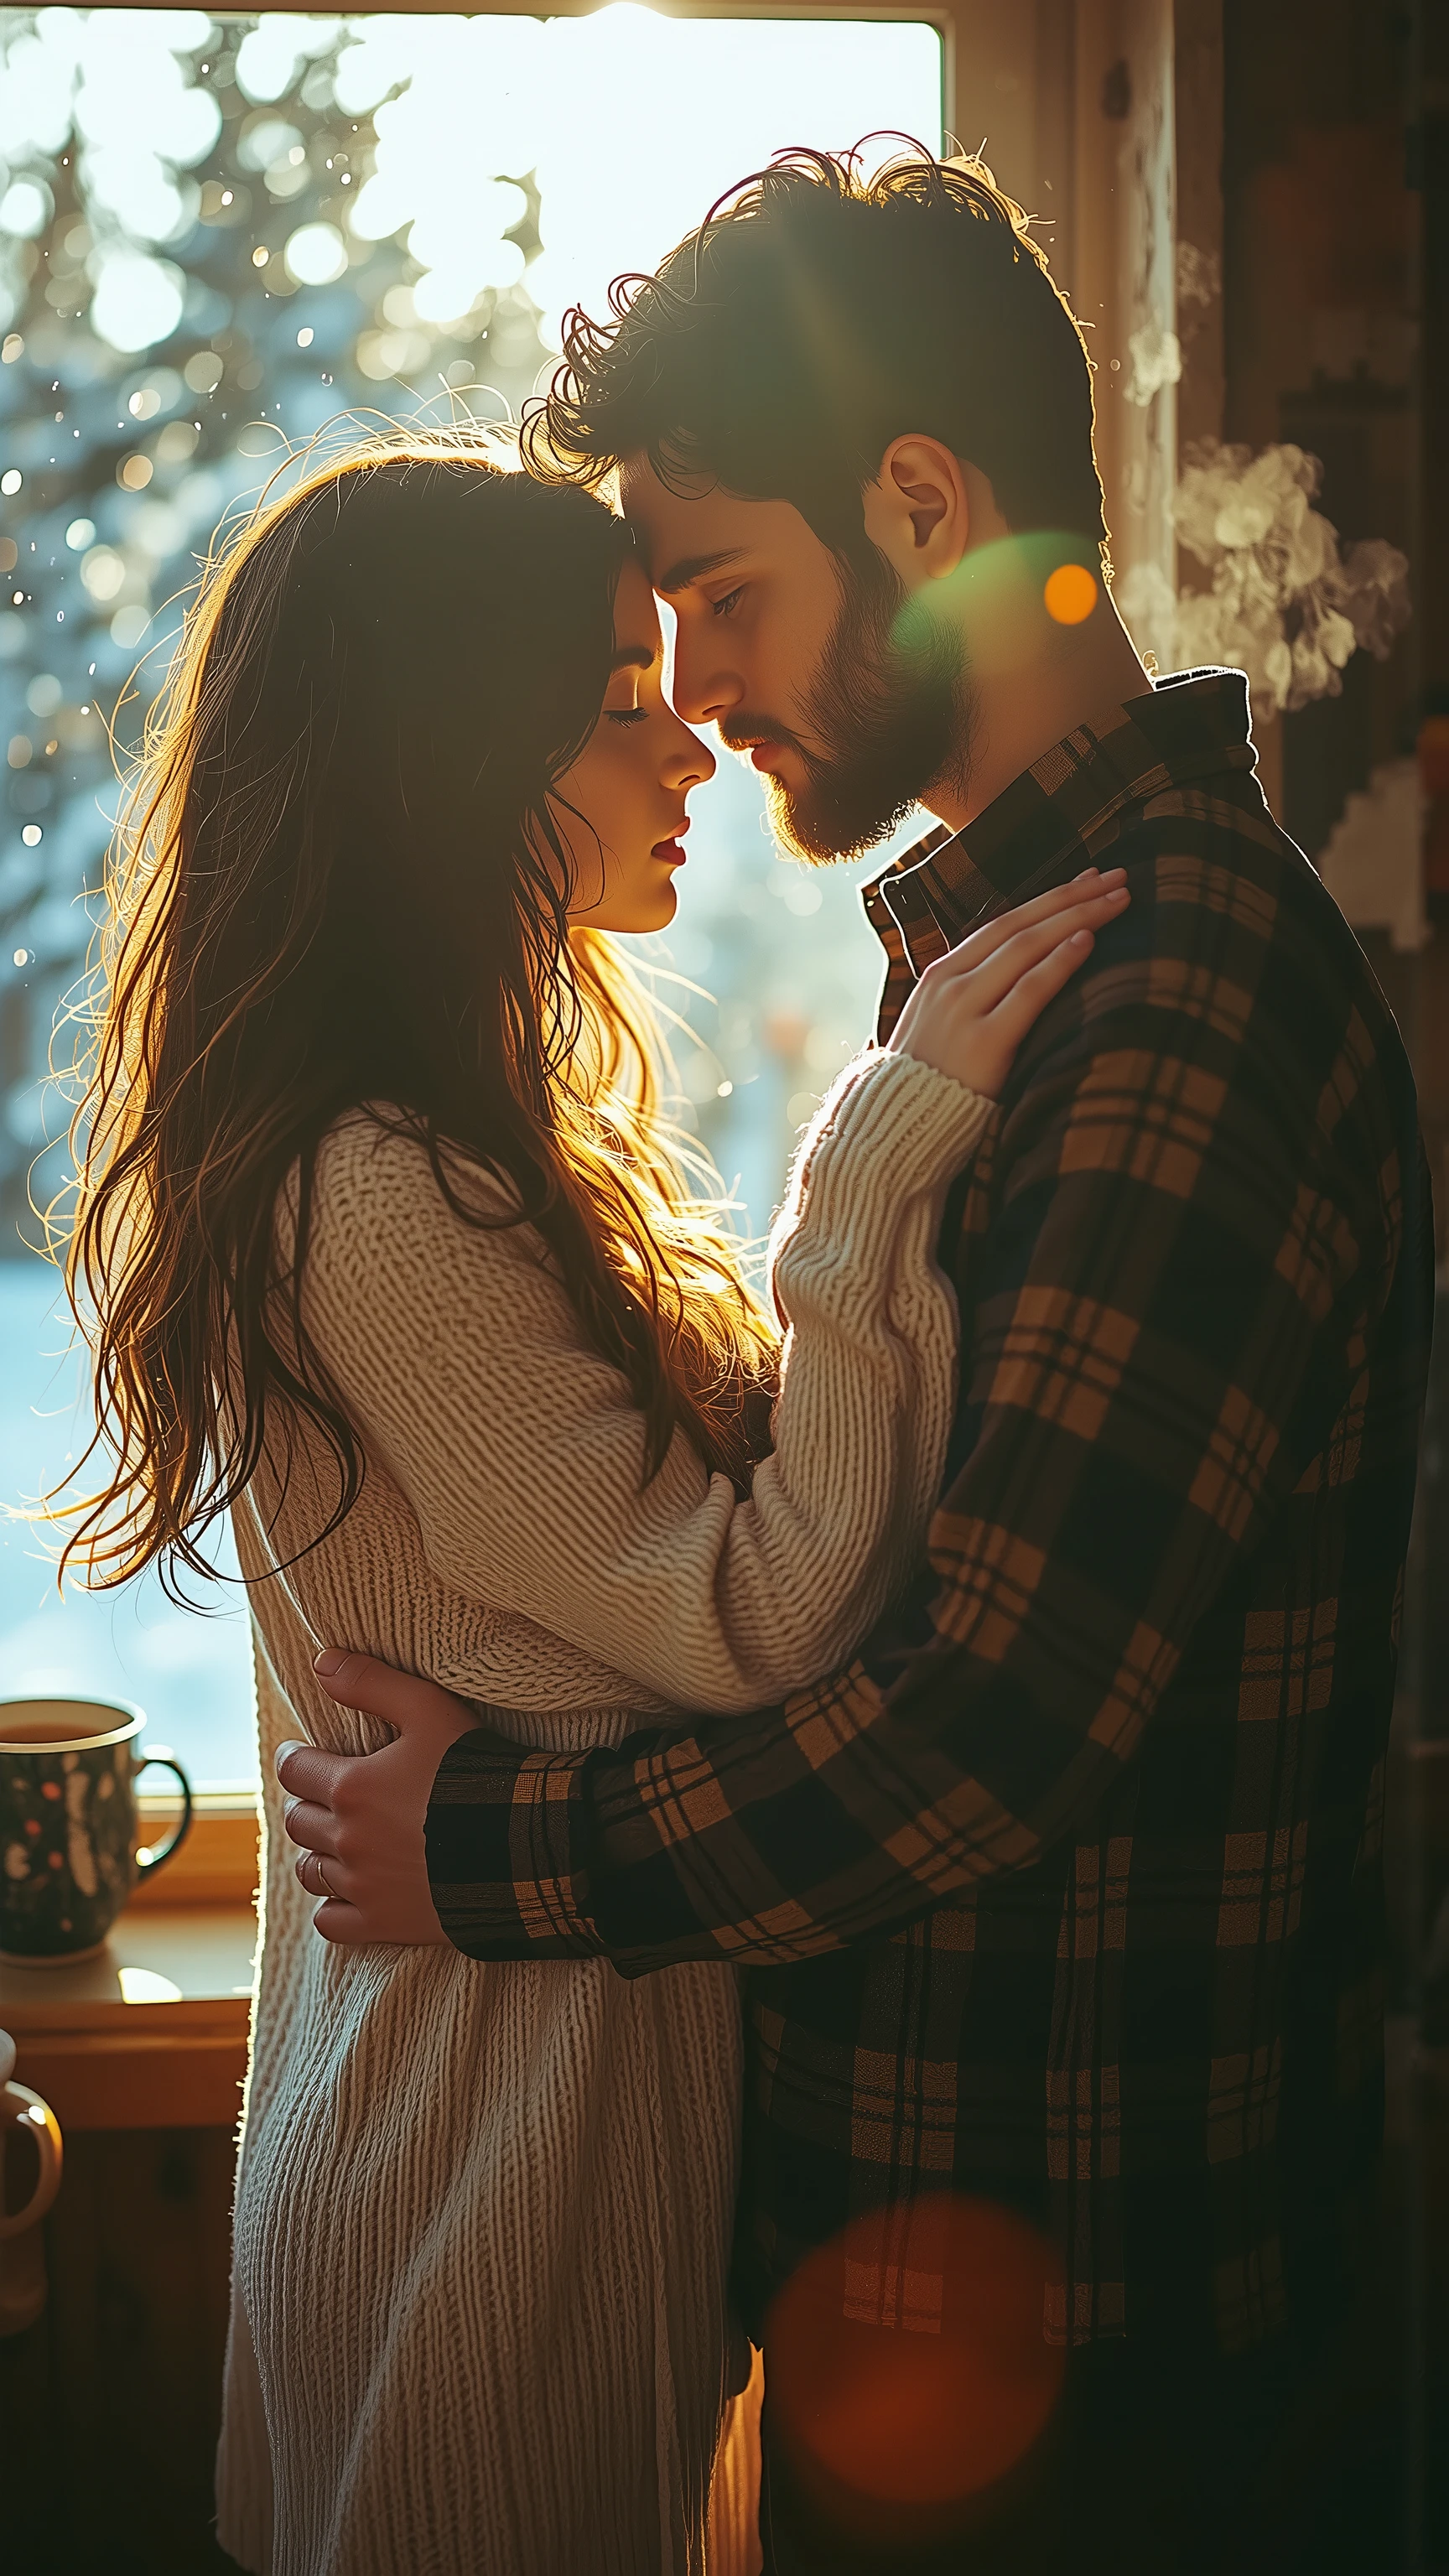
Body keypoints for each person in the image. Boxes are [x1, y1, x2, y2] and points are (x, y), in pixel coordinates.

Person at [283, 152, 1433, 2574]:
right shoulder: (1021, 969)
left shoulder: (1177, 993)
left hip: (1101, 2385)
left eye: (718, 592)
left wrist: (498, 1852)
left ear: (923, 503)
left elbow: (988, 1716)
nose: (690, 685)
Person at [57, 432, 1124, 2576]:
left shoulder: (459, 1138)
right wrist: (884, 1157)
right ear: (451, 763)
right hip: (483, 2216)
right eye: (617, 704)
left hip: (519, 2177)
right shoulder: (377, 1194)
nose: (691, 750)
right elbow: (756, 1618)